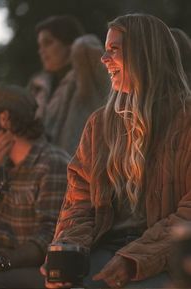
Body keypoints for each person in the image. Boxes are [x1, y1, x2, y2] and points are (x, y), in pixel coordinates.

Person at [41, 13, 191, 288]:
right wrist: (68, 250)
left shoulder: (186, 120)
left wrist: (135, 258)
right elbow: (78, 202)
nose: (103, 58)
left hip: (168, 258)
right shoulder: (99, 125)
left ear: (144, 53)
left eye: (114, 50)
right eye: (105, 49)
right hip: (104, 249)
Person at [0, 84, 70, 288]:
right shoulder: (1, 167)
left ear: (4, 118)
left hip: (43, 271)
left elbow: (50, 238)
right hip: (5, 267)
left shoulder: (53, 163)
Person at [27, 15, 110, 156]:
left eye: (48, 43)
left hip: (81, 168)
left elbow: (84, 46)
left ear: (69, 43)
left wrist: (77, 44)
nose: (41, 51)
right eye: (39, 46)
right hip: (48, 172)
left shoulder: (87, 76)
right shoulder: (39, 87)